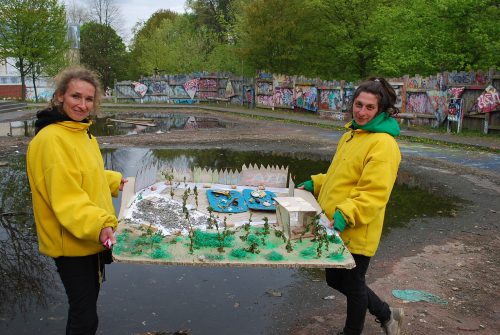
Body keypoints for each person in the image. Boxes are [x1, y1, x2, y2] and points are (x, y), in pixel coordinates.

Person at [298, 78, 404, 335]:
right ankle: (388, 314)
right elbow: (340, 177)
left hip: (357, 226)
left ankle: (357, 330)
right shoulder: (351, 135)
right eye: (359, 104)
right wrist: (317, 183)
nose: (362, 112)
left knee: (354, 284)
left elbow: (374, 192)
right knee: (334, 279)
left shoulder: (384, 144)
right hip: (334, 224)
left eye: (370, 107)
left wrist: (347, 213)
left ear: (381, 110)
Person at [26, 66, 127, 335]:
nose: (83, 105)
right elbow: (66, 197)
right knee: (84, 317)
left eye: (89, 99)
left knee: (86, 306)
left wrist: (114, 181)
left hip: (86, 236)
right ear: (60, 96)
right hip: (71, 240)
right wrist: (100, 226)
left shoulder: (79, 132)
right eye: (75, 97)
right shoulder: (52, 139)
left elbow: (83, 175)